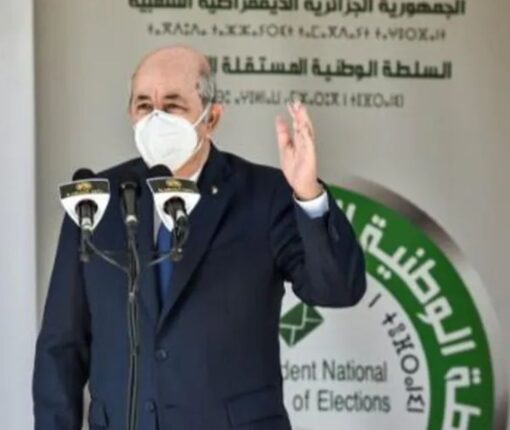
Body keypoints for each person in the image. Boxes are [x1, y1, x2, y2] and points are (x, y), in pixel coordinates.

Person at [33, 45, 366, 430]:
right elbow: (62, 344)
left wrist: (308, 194)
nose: (156, 118)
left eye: (172, 106)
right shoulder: (96, 201)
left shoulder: (264, 195)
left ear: (212, 118)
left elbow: (338, 290)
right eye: (144, 105)